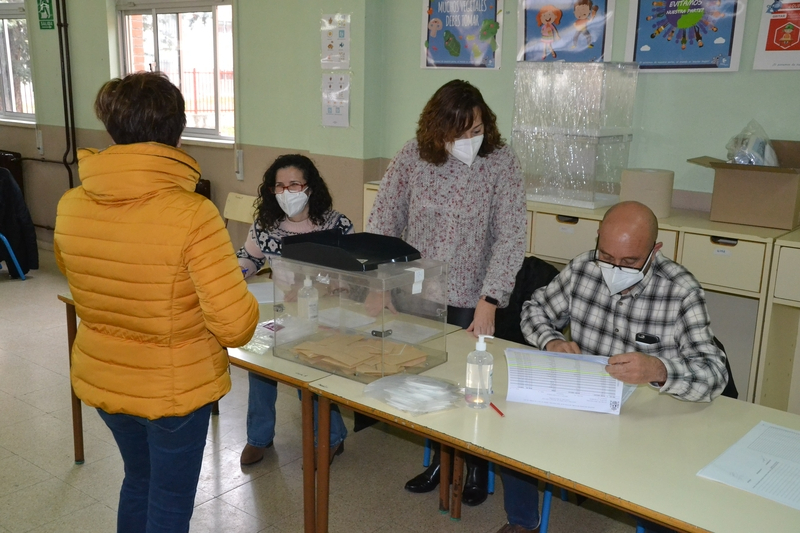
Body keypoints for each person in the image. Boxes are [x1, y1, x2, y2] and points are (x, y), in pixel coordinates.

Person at [53, 72, 259, 533]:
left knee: (138, 480)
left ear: (112, 131)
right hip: (174, 389)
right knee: (168, 500)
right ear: (178, 132)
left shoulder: (70, 204)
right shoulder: (192, 213)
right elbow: (235, 326)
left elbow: (80, 277)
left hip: (105, 376)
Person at [496, 201, 729, 533]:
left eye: (629, 262)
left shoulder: (681, 290)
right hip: (585, 400)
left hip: (646, 417)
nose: (615, 268)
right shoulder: (584, 268)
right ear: (598, 239)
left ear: (654, 251)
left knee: (664, 491)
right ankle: (522, 521)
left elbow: (714, 372)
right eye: (606, 256)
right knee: (513, 428)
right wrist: (552, 342)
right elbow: (535, 309)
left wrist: (658, 370)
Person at [367, 79, 527, 507]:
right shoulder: (412, 156)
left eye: (476, 130)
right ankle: (440, 461)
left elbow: (511, 236)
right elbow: (384, 220)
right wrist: (381, 284)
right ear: (437, 131)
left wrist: (490, 299)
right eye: (458, 133)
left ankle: (474, 467)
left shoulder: (500, 162)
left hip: (472, 297)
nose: (469, 141)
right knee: (426, 380)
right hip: (417, 293)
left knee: (467, 384)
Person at [237, 153, 353, 466]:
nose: (286, 192)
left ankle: (330, 437)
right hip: (283, 313)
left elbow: (352, 274)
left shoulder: (336, 225)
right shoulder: (266, 226)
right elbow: (250, 258)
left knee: (308, 369)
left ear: (310, 187)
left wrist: (325, 287)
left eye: (294, 185)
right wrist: (237, 272)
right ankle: (258, 437)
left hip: (325, 315)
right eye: (279, 186)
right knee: (260, 364)